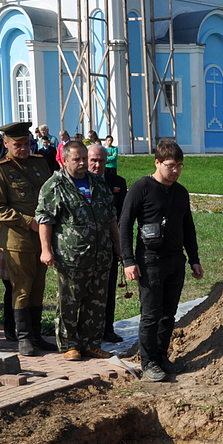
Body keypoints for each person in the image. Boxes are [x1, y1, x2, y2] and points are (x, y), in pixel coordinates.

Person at [119, 138, 202, 382]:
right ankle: (148, 362)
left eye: (179, 165)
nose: (175, 170)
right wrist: (128, 261)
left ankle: (162, 356)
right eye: (170, 165)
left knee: (168, 314)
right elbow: (124, 225)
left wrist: (194, 259)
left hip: (175, 261)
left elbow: (189, 227)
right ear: (157, 162)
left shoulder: (180, 192)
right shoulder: (141, 188)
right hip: (150, 260)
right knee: (151, 314)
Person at [35, 141, 119, 361]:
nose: (82, 163)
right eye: (77, 159)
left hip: (100, 257)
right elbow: (45, 219)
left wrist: (118, 246)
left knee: (97, 302)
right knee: (69, 302)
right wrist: (46, 250)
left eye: (84, 158)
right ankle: (69, 344)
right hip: (71, 257)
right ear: (65, 159)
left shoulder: (98, 185)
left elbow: (111, 218)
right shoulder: (55, 186)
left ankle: (92, 344)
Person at [0, 120, 54, 356]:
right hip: (17, 241)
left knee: (38, 288)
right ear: (6, 143)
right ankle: (23, 337)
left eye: (26, 143)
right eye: (18, 145)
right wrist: (29, 222)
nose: (24, 149)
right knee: (22, 289)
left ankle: (36, 335)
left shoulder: (39, 163)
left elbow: (50, 193)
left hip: (42, 240)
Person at [88, 142, 126, 342]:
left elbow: (122, 216)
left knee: (109, 287)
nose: (97, 165)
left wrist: (120, 244)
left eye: (101, 160)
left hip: (108, 245)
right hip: (84, 247)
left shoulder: (117, 182)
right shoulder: (79, 182)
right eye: (93, 160)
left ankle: (107, 329)